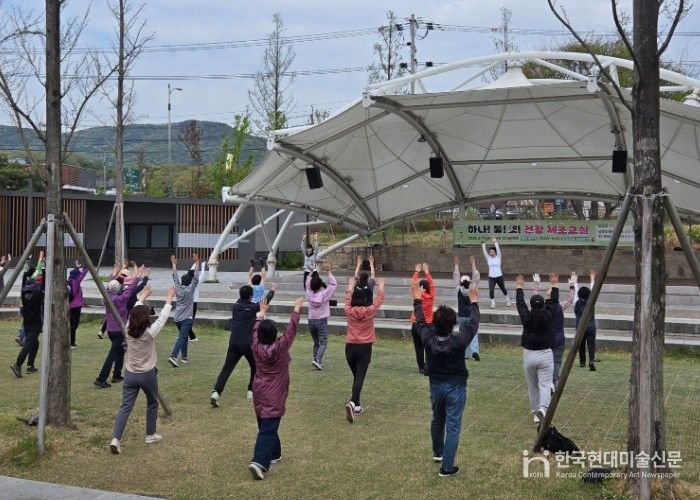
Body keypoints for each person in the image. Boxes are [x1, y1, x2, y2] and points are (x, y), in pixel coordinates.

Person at [412, 279, 480, 477]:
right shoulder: (459, 341)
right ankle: (447, 468)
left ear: (435, 323)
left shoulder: (428, 338)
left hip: (436, 386)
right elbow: (473, 324)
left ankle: (438, 452)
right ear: (452, 325)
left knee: (437, 419)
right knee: (453, 426)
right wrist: (474, 302)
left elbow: (420, 321)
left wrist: (417, 300)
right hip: (455, 388)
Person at [110, 285, 175, 454]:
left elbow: (134, 311)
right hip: (147, 375)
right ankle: (150, 435)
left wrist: (144, 295)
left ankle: (116, 439)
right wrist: (169, 298)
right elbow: (163, 317)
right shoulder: (150, 333)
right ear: (146, 320)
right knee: (152, 402)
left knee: (125, 406)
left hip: (130, 375)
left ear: (131, 319)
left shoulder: (127, 329)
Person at [248, 296, 304, 480]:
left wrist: (261, 313)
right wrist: (296, 310)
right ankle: (259, 462)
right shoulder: (280, 347)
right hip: (275, 390)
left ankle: (275, 453)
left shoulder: (255, 345)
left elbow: (255, 329)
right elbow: (291, 331)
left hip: (259, 388)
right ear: (274, 335)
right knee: (268, 426)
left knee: (266, 422)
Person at [210, 282, 277, 408]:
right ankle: (251, 391)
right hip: (247, 343)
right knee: (255, 365)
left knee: (227, 368)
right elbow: (265, 301)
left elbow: (243, 298)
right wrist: (272, 290)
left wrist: (247, 285)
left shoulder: (235, 306)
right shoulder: (252, 307)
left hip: (233, 342)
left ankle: (216, 393)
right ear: (251, 297)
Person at [343, 276, 385, 423]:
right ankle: (352, 403)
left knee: (357, 377)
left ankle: (357, 406)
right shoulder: (369, 311)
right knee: (359, 378)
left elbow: (347, 299)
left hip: (350, 348)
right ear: (365, 300)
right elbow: (379, 300)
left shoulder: (348, 310)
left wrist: (350, 287)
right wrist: (381, 287)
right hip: (364, 348)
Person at [515, 274, 554, 424]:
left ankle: (536, 414)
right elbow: (552, 303)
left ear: (531, 306)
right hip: (545, 354)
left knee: (533, 386)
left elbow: (520, 305)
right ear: (543, 305)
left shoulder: (527, 316)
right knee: (545, 384)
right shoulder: (548, 315)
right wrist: (554, 286)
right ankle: (543, 409)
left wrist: (519, 287)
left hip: (529, 354)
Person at [94, 269, 139, 388]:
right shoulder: (121, 299)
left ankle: (117, 375)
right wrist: (137, 277)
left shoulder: (107, 298)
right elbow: (130, 289)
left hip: (110, 330)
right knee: (112, 354)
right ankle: (101, 378)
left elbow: (110, 286)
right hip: (119, 331)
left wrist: (115, 275)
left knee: (120, 351)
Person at [534, 271, 577, 388]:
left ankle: (547, 382)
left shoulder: (542, 309)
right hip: (558, 339)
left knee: (546, 363)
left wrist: (536, 284)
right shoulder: (560, 306)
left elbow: (535, 298)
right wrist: (572, 285)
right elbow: (570, 299)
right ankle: (554, 381)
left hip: (546, 340)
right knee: (556, 362)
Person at [10, 260, 45, 378]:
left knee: (35, 345)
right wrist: (43, 270)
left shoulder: (24, 295)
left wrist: (26, 272)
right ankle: (17, 365)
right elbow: (43, 285)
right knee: (28, 345)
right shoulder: (37, 296)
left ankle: (30, 366)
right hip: (35, 325)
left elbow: (23, 284)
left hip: (27, 324)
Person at [168, 254, 202, 367]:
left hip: (177, 318)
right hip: (186, 318)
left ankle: (184, 357)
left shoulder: (178, 287)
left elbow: (175, 277)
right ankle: (173, 356)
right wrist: (197, 262)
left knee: (184, 336)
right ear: (189, 282)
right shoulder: (190, 289)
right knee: (182, 337)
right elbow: (196, 277)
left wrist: (174, 264)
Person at [305, 262, 337, 370]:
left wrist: (310, 273)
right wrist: (329, 272)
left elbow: (307, 284)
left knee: (316, 342)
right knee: (323, 342)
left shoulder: (309, 293)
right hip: (321, 320)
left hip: (311, 320)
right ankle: (318, 360)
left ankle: (316, 359)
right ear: (320, 286)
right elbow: (333, 285)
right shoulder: (324, 294)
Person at [453, 255, 481, 361]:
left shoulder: (458, 289)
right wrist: (473, 264)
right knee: (474, 333)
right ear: (469, 282)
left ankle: (464, 354)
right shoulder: (473, 288)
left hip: (461, 316)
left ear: (461, 282)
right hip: (472, 315)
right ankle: (475, 351)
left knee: (463, 334)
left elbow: (456, 277)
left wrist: (456, 265)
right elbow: (476, 277)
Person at [410, 262, 435, 374]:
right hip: (428, 324)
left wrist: (416, 271)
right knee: (428, 346)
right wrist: (426, 271)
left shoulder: (417, 295)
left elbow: (413, 284)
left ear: (420, 288)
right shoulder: (431, 296)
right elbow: (432, 284)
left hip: (416, 324)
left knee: (418, 347)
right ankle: (428, 367)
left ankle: (421, 367)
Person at [575, 269, 597, 371]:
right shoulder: (591, 302)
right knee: (591, 344)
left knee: (581, 344)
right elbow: (594, 290)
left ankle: (582, 362)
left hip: (580, 326)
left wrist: (574, 281)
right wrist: (592, 278)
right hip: (591, 326)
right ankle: (591, 360)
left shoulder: (577, 302)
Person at [482, 236, 511, 309]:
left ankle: (507, 300)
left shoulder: (498, 257)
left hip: (499, 276)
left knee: (503, 288)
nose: (491, 253)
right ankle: (493, 303)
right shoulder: (488, 258)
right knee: (491, 290)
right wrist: (483, 244)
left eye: (492, 252)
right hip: (491, 277)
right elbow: (484, 251)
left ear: (495, 252)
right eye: (490, 252)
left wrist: (495, 242)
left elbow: (498, 249)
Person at [68, 260, 89, 348]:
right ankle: (71, 342)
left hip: (70, 306)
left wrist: (76, 267)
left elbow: (77, 274)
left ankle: (71, 341)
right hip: (76, 306)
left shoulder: (69, 280)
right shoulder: (76, 282)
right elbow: (82, 275)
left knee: (71, 324)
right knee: (74, 325)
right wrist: (86, 266)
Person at [188, 255, 206, 342]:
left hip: (187, 302)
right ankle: (191, 336)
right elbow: (201, 274)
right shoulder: (196, 282)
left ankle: (187, 335)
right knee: (189, 321)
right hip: (193, 302)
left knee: (186, 320)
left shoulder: (186, 281)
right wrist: (199, 264)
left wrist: (196, 263)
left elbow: (193, 272)